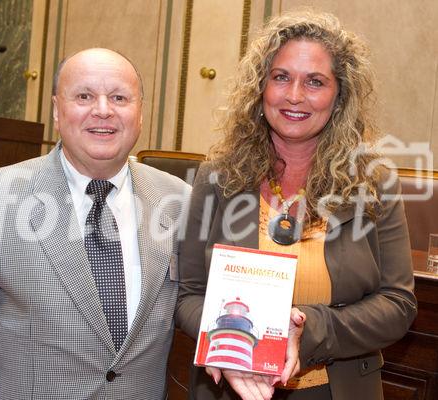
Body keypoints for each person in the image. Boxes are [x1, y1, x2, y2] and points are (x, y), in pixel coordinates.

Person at [176, 11, 417, 400]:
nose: (294, 96)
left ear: (340, 96)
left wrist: (310, 330)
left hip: (336, 390)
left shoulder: (375, 184)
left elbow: (398, 304)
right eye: (281, 77)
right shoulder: (217, 177)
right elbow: (188, 294)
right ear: (261, 87)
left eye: (315, 82)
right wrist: (228, 343)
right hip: (231, 387)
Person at [0, 48, 190, 399]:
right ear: (57, 110)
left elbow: (204, 300)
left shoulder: (180, 200)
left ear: (141, 113)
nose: (103, 110)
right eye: (84, 96)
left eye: (119, 97)